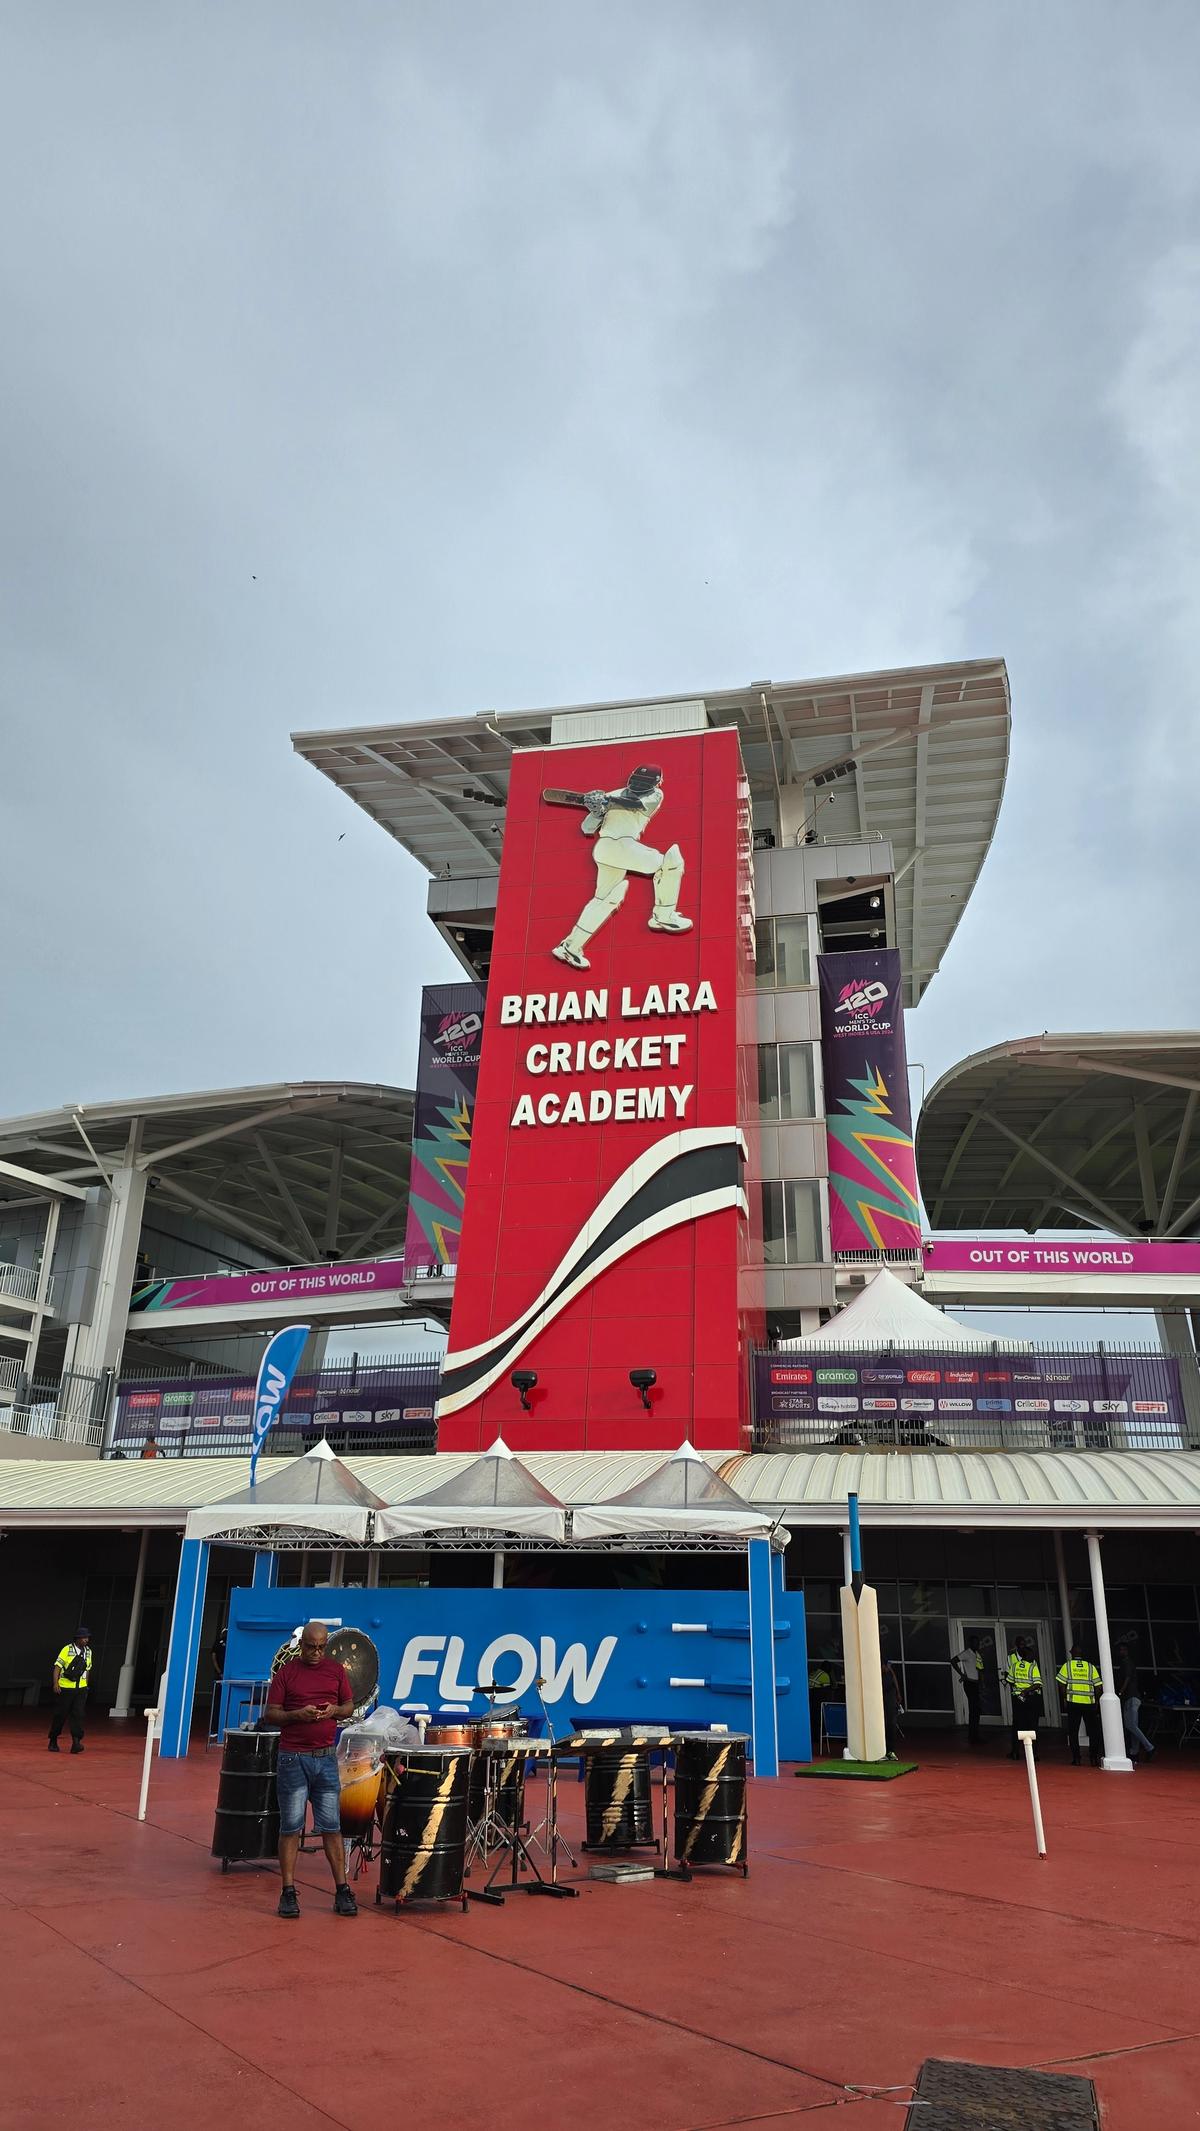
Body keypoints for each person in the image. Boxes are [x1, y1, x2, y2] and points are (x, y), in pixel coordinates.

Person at [550, 765, 692, 970]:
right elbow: (586, 828)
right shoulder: (608, 796)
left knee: (606, 898)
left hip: (609, 850)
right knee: (670, 863)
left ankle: (570, 947)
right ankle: (664, 916)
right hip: (617, 846)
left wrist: (606, 802)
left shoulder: (654, 795)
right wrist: (597, 811)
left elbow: (635, 804)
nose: (641, 785)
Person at [265, 1621, 358, 1920]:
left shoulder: (336, 1671)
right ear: (301, 1644)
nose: (316, 1653)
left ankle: (342, 1890)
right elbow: (271, 1715)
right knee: (291, 1826)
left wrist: (334, 1710)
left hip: (326, 1757)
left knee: (331, 1826)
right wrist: (297, 1715)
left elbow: (349, 1706)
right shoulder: (286, 1673)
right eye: (311, 1647)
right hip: (293, 1757)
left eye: (321, 1647)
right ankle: (288, 1891)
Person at [1056, 1643, 1104, 1766]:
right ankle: (1093, 1758)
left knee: (1073, 1732)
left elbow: (1061, 1685)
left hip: (1073, 1703)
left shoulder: (1067, 1666)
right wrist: (1096, 1700)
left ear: (1071, 1653)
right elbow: (1098, 1687)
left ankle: (1076, 1758)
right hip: (1089, 1704)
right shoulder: (1090, 1667)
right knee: (1093, 1731)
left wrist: (1064, 1699)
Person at [49, 1629, 92, 1754]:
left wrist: (86, 1686)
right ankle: (53, 1739)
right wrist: (55, 1683)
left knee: (78, 1715)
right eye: (84, 1638)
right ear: (77, 1639)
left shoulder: (88, 1652)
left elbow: (87, 1670)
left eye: (87, 1638)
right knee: (60, 1715)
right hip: (65, 1688)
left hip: (81, 1689)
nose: (86, 1640)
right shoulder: (67, 1649)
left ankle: (76, 1742)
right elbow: (57, 1667)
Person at [1116, 1636, 1156, 1763]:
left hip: (1131, 1697)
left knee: (1130, 1725)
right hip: (1133, 1697)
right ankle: (1135, 1752)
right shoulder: (1126, 1663)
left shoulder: (1127, 1662)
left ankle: (1149, 1747)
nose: (1121, 1652)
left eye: (1123, 1650)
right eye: (1120, 1650)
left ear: (1127, 1651)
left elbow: (1127, 1678)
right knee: (1133, 1726)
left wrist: (1121, 1691)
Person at [1005, 1636, 1042, 1759]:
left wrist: (1018, 1689)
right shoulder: (1032, 1666)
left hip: (1018, 1698)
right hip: (1030, 1698)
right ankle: (1034, 1754)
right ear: (1028, 1656)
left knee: (1017, 1725)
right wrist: (1026, 1690)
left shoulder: (1015, 1666)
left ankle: (1015, 1752)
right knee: (1032, 1725)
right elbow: (1037, 1683)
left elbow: (1009, 1680)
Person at [953, 1634, 985, 1745]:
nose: (977, 1644)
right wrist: (962, 1674)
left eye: (978, 1642)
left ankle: (975, 1734)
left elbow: (980, 1670)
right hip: (969, 1683)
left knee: (976, 1710)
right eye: (975, 1642)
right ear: (971, 1643)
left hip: (975, 1684)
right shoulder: (967, 1653)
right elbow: (953, 1661)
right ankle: (973, 1736)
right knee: (973, 1709)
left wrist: (982, 1683)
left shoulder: (977, 1654)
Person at [808, 1658, 833, 1753]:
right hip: (817, 1697)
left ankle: (814, 1736)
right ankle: (818, 1737)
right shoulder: (825, 1675)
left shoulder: (816, 1672)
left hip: (810, 1696)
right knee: (819, 1718)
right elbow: (828, 1690)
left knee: (813, 1718)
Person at [882, 1657, 904, 1757]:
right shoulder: (880, 1675)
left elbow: (894, 1681)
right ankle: (885, 1750)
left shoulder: (890, 1674)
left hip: (891, 1702)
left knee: (891, 1725)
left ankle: (890, 1750)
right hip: (884, 1702)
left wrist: (898, 1693)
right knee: (885, 1725)